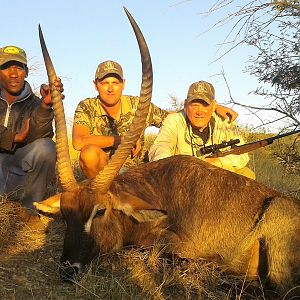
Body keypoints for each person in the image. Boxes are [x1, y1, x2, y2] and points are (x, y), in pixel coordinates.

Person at [73, 61, 239, 178]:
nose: (110, 88)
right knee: (89, 154)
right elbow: (79, 142)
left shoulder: (139, 105)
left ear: (123, 84)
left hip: (140, 175)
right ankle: (100, 205)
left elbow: (175, 118)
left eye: (115, 82)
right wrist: (123, 140)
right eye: (104, 83)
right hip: (105, 175)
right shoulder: (87, 106)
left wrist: (212, 108)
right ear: (96, 85)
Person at [148, 80, 255, 179]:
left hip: (218, 176)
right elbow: (160, 147)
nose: (199, 111)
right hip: (183, 179)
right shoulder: (174, 121)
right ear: (185, 106)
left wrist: (218, 163)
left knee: (247, 174)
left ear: (213, 106)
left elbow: (243, 154)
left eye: (205, 105)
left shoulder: (225, 122)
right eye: (195, 105)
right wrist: (173, 167)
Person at [0, 45, 62, 214]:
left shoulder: (35, 103)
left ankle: (30, 209)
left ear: (26, 72)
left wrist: (45, 106)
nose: (13, 73)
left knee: (46, 147)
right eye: (6, 67)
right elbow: (19, 138)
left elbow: (40, 140)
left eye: (19, 67)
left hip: (17, 174)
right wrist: (14, 137)